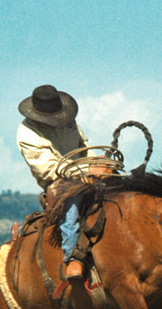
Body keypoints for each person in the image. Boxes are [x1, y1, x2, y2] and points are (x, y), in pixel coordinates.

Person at [17, 84, 103, 281]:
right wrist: (88, 170)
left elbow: (84, 147)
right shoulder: (27, 133)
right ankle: (72, 256)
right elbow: (48, 168)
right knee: (71, 202)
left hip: (84, 172)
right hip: (58, 181)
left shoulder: (69, 121)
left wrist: (98, 164)